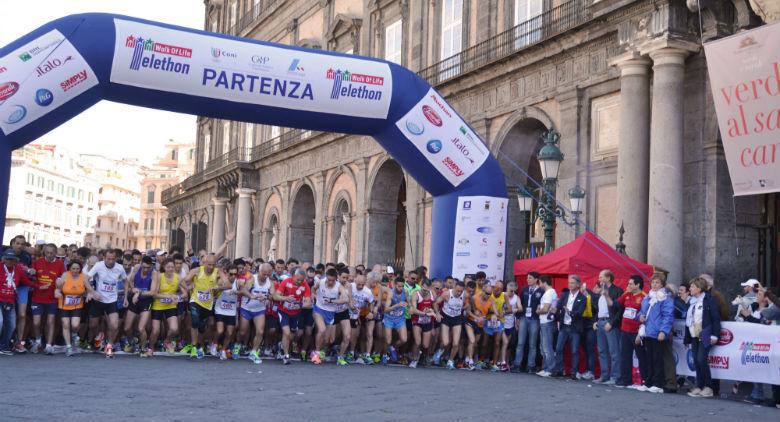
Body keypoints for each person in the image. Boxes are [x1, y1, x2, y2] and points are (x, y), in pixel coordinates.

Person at [182, 254, 228, 360]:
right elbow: (183, 281)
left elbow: (228, 284)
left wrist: (217, 287)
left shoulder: (218, 272)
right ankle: (194, 347)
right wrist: (189, 287)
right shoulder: (197, 270)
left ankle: (199, 345)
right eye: (209, 265)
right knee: (194, 322)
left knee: (202, 328)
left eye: (213, 265)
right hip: (195, 301)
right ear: (204, 263)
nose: (211, 267)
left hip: (207, 305)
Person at [86, 250, 127, 358]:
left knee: (114, 325)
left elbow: (126, 281)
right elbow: (85, 280)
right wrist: (93, 292)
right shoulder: (98, 266)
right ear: (104, 258)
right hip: (98, 300)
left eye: (113, 259)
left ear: (116, 258)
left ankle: (109, 346)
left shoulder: (119, 268)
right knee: (93, 325)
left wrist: (126, 297)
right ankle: (99, 335)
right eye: (108, 259)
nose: (110, 261)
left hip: (112, 301)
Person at [637, 274, 674, 393]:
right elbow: (641, 312)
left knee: (658, 358)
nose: (654, 285)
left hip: (658, 332)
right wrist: (640, 317)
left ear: (662, 284)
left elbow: (668, 316)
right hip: (648, 331)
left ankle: (658, 383)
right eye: (653, 282)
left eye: (657, 283)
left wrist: (663, 331)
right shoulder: (647, 297)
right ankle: (648, 382)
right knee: (649, 358)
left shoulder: (666, 298)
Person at [685, 276, 721, 398]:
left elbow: (716, 319)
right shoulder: (692, 301)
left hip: (705, 334)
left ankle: (708, 386)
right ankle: (699, 385)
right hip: (694, 334)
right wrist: (686, 338)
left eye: (692, 286)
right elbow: (689, 319)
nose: (690, 288)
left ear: (699, 288)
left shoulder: (709, 300)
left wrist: (715, 335)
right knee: (696, 360)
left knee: (701, 359)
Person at [30, 243, 66, 355]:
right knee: (36, 323)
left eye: (52, 253)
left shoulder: (60, 264)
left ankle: (49, 345)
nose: (49, 255)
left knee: (50, 321)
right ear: (44, 252)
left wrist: (59, 288)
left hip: (52, 298)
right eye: (47, 252)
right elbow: (31, 278)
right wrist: (31, 273)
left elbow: (64, 279)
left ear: (55, 253)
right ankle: (38, 341)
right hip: (37, 297)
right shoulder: (37, 262)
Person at [54, 260, 95, 356]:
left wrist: (89, 294)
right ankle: (69, 347)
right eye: (73, 268)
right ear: (69, 268)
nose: (75, 271)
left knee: (75, 325)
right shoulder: (65, 275)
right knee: (65, 324)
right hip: (64, 304)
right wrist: (57, 292)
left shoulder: (84, 277)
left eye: (77, 269)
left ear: (80, 269)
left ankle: (74, 334)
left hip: (77, 305)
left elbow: (89, 288)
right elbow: (58, 288)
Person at [239, 262, 275, 364]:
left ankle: (254, 352)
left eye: (268, 274)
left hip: (259, 310)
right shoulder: (252, 279)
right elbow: (244, 290)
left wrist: (267, 297)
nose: (266, 276)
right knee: (242, 332)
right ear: (259, 271)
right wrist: (251, 296)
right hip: (246, 308)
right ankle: (237, 344)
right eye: (264, 274)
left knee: (260, 331)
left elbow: (273, 295)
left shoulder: (270, 283)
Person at [551, 275, 587, 379]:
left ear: (578, 285)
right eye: (569, 283)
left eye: (572, 283)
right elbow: (558, 307)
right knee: (558, 348)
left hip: (575, 327)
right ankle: (559, 370)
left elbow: (579, 313)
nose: (570, 285)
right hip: (564, 326)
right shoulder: (564, 295)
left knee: (575, 350)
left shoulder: (583, 298)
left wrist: (569, 312)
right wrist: (554, 310)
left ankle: (573, 372)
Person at [123, 256, 160, 356]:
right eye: (144, 267)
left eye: (148, 267)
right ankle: (132, 343)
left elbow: (152, 292)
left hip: (146, 301)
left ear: (151, 266)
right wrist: (130, 292)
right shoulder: (136, 268)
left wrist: (138, 293)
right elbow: (128, 281)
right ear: (141, 264)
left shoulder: (154, 273)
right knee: (126, 328)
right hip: (135, 300)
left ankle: (143, 348)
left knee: (141, 328)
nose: (145, 269)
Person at [311, 268, 349, 364]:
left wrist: (332, 301)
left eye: (333, 280)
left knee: (327, 339)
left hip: (331, 312)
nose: (330, 282)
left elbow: (345, 299)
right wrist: (313, 295)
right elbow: (313, 288)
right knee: (322, 330)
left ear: (336, 279)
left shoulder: (339, 286)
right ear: (326, 277)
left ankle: (318, 352)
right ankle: (316, 353)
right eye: (329, 280)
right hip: (319, 309)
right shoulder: (321, 282)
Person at [274, 268, 312, 365]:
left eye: (301, 280)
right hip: (283, 311)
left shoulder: (305, 285)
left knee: (292, 335)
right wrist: (286, 298)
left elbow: (308, 301)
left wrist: (301, 305)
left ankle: (281, 345)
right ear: (293, 276)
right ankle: (286, 356)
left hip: (296, 313)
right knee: (286, 333)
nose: (299, 282)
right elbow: (275, 296)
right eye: (298, 279)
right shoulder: (286, 282)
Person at [593, 269, 623, 385]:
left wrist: (611, 323)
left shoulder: (617, 291)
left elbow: (619, 310)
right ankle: (604, 375)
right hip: (600, 322)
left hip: (610, 323)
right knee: (602, 351)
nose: (599, 279)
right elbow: (599, 308)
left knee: (614, 352)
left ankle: (615, 376)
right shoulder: (601, 292)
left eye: (601, 277)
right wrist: (595, 321)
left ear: (608, 278)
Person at [616, 275, 647, 388]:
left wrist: (641, 331)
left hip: (636, 331)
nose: (628, 285)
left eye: (630, 284)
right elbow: (615, 304)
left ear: (637, 285)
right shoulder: (627, 294)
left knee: (641, 356)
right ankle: (626, 380)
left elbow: (645, 314)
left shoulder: (644, 296)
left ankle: (644, 380)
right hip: (625, 330)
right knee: (625, 356)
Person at [150, 259, 185, 356]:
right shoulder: (159, 277)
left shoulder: (178, 277)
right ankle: (151, 348)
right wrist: (169, 296)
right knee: (156, 330)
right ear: (164, 268)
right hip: (158, 306)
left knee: (174, 329)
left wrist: (178, 297)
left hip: (170, 306)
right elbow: (154, 295)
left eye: (172, 267)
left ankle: (167, 341)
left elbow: (185, 293)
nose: (170, 269)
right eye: (168, 267)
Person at [0, 250, 32, 354]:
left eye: (12, 259)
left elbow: (26, 282)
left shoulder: (18, 269)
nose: (9, 261)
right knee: (0, 322)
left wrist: (39, 286)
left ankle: (4, 346)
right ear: (4, 259)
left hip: (10, 300)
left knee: (12, 325)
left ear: (15, 261)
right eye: (7, 259)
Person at [513, 272, 542, 373]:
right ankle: (517, 364)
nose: (528, 280)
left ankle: (531, 365)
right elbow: (520, 305)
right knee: (520, 342)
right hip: (524, 318)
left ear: (536, 279)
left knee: (532, 344)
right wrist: (518, 318)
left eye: (530, 278)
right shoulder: (524, 289)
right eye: (527, 278)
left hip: (535, 319)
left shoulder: (541, 291)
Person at [465, 283, 497, 370]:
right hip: (470, 321)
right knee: (472, 341)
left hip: (480, 324)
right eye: (487, 293)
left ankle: (467, 357)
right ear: (482, 291)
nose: (488, 296)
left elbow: (494, 311)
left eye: (490, 294)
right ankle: (470, 362)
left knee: (474, 343)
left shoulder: (491, 300)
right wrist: (476, 317)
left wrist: (494, 316)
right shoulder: (474, 298)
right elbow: (468, 312)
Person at [348, 273, 374, 365]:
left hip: (362, 312)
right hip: (350, 312)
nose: (361, 286)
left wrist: (371, 312)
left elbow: (371, 302)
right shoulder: (350, 286)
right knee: (354, 334)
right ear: (355, 281)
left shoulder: (367, 291)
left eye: (363, 284)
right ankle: (351, 352)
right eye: (359, 284)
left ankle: (366, 355)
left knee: (366, 334)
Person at [409, 278, 436, 368]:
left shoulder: (432, 294)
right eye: (424, 290)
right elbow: (414, 310)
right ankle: (414, 359)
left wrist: (436, 312)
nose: (425, 292)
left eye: (427, 290)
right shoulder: (416, 294)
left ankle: (422, 356)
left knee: (425, 344)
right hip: (417, 320)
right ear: (421, 286)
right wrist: (426, 313)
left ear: (430, 288)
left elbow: (435, 304)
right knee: (417, 341)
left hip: (427, 322)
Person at [382, 276, 408, 365]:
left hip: (400, 319)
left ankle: (393, 347)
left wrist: (411, 307)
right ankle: (384, 355)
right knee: (388, 340)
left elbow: (410, 303)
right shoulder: (391, 293)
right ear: (394, 285)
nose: (401, 288)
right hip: (389, 318)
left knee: (404, 339)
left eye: (402, 286)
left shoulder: (406, 292)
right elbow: (385, 309)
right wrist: (397, 305)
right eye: (399, 286)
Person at [499, 281, 520, 372]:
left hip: (510, 324)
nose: (511, 291)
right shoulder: (502, 295)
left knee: (508, 345)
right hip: (501, 322)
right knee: (504, 342)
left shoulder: (516, 297)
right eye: (509, 287)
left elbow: (521, 308)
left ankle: (505, 362)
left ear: (516, 289)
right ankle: (500, 362)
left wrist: (515, 309)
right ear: (506, 287)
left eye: (513, 289)